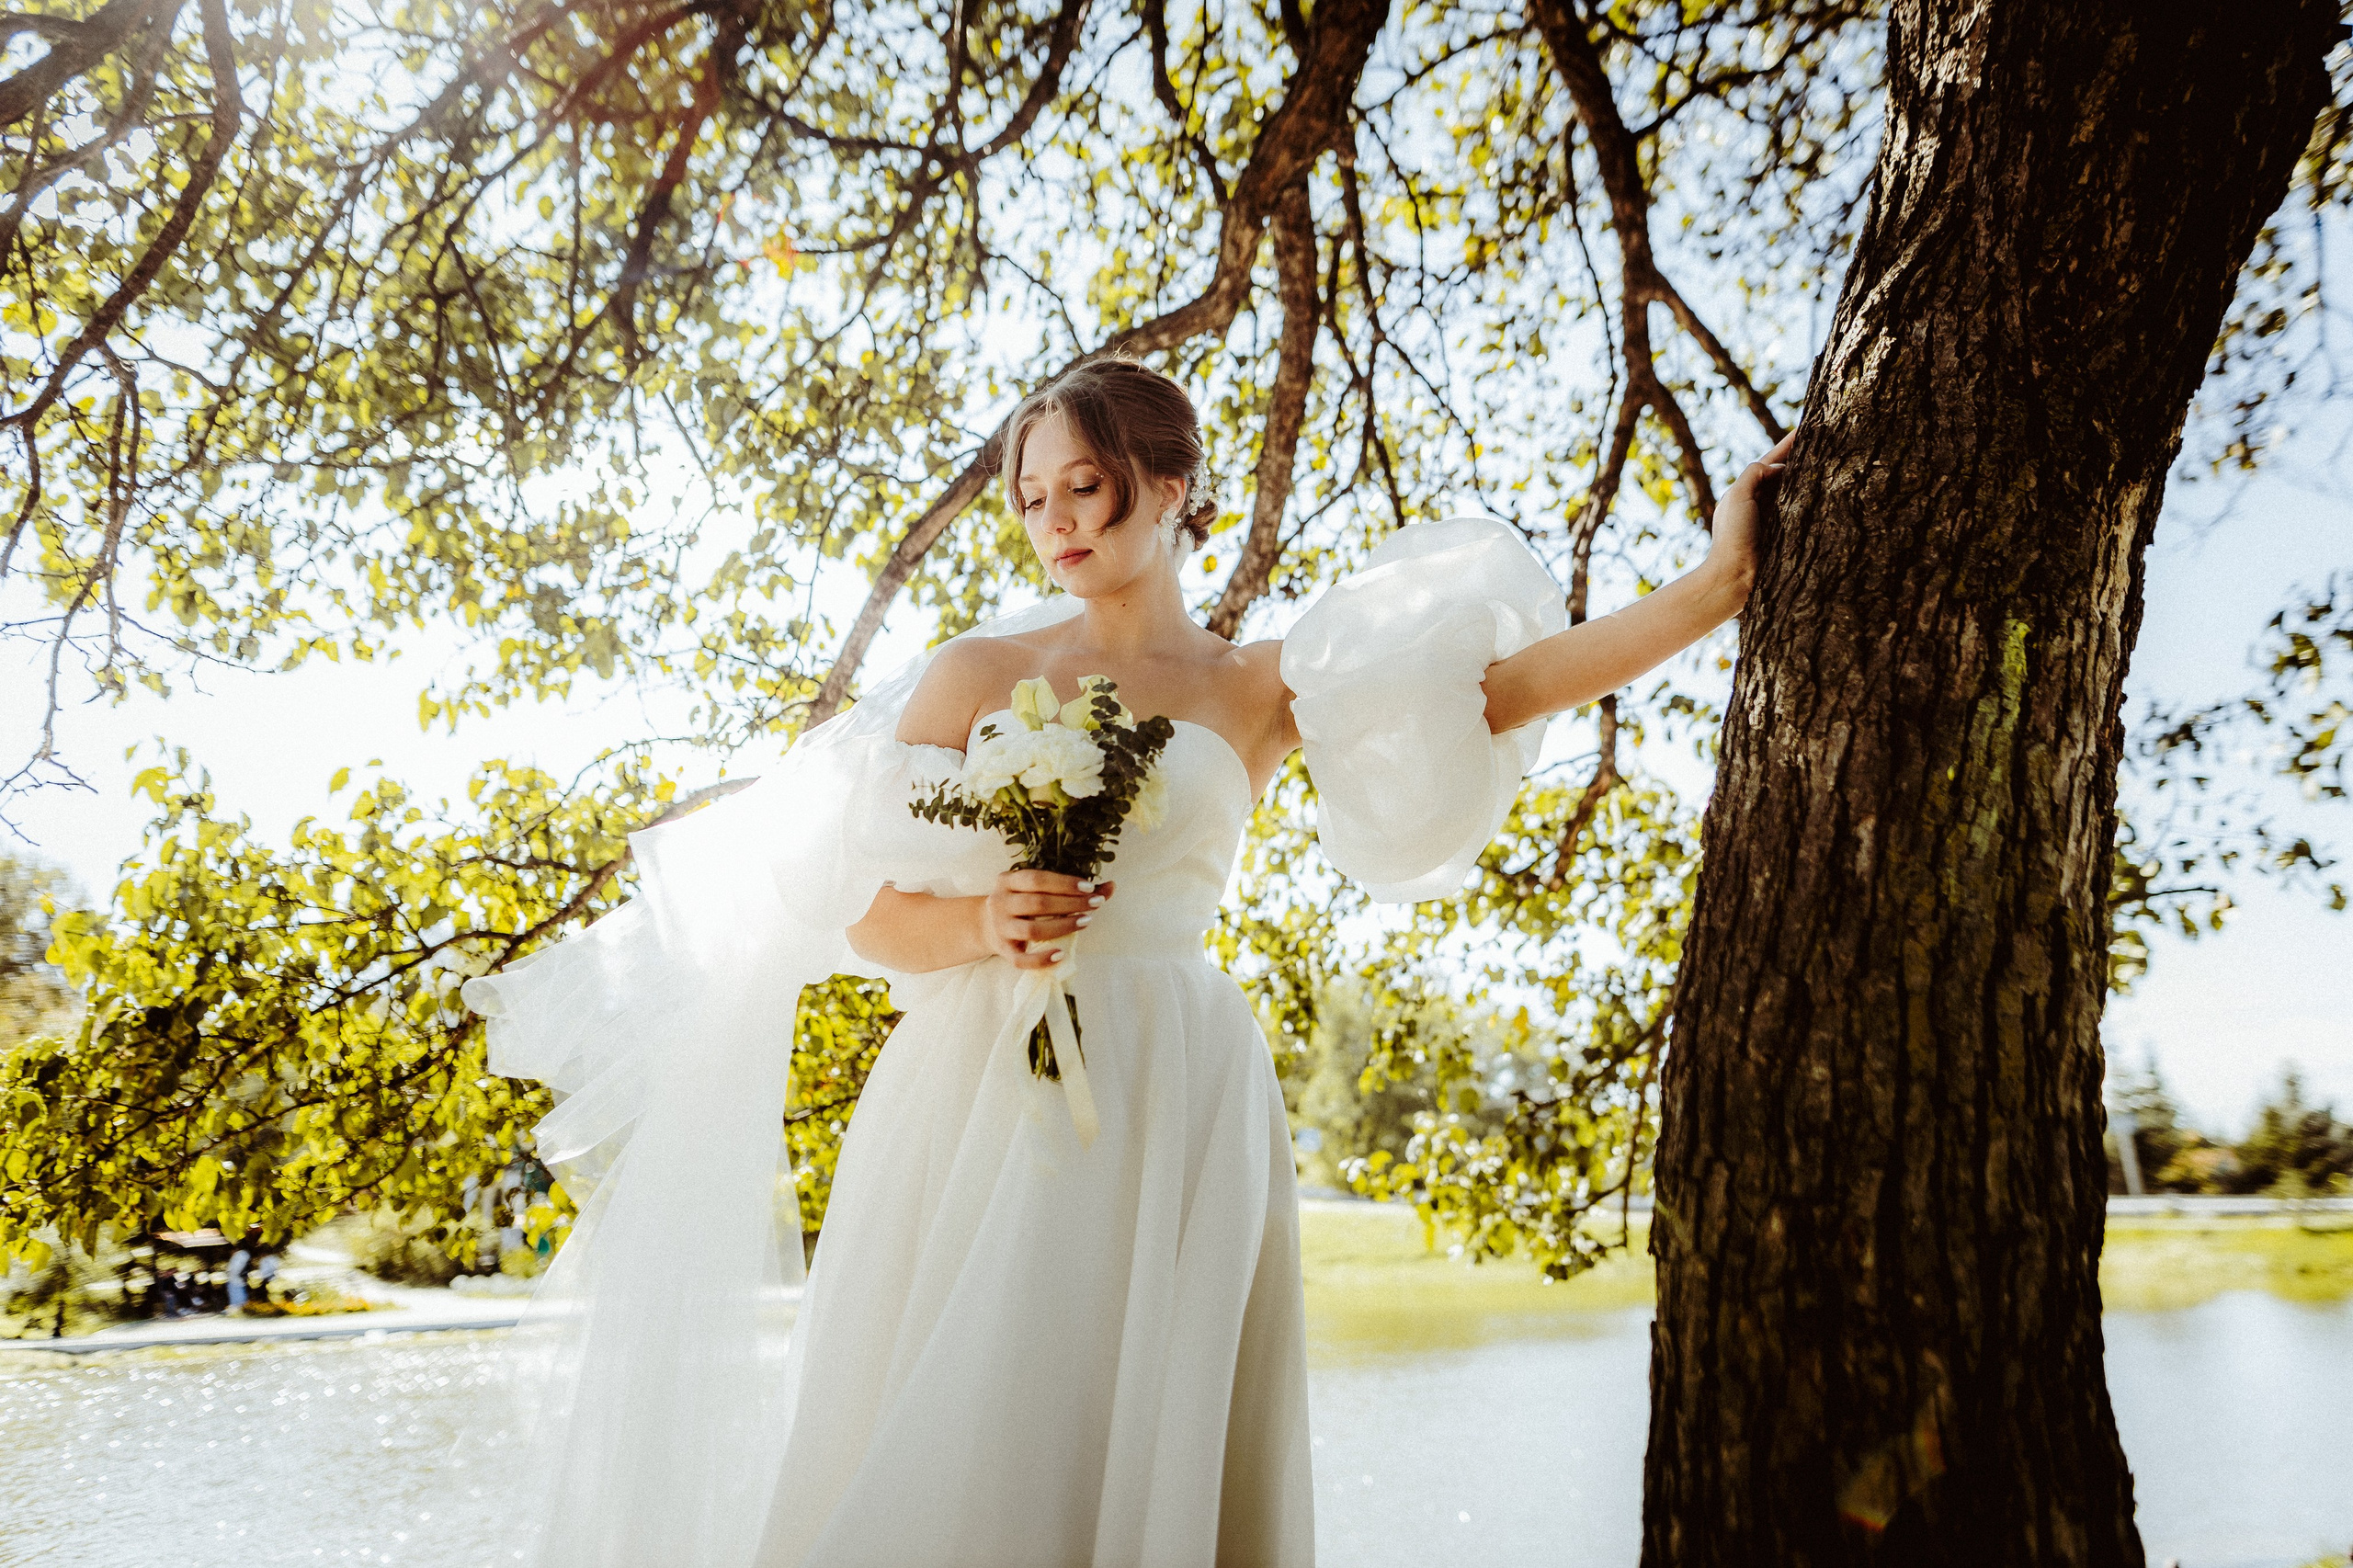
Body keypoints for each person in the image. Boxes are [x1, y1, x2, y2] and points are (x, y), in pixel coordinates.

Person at [463, 357, 1788, 1568]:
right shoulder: (975, 672)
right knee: (969, 1411)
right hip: (976, 1086)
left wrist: (1717, 587)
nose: (1056, 522)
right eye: (1032, 499)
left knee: (1145, 1408)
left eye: (1083, 487)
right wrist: (985, 925)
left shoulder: (1261, 683)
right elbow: (861, 910)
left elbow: (1505, 689)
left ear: (1167, 484)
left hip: (1178, 1076)